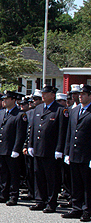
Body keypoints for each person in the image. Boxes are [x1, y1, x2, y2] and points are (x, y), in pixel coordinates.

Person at [27, 85, 67, 213]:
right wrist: (30, 145)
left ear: (52, 95)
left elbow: (62, 131)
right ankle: (40, 200)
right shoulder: (38, 108)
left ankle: (51, 202)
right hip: (38, 148)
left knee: (52, 178)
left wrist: (59, 149)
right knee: (39, 176)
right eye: (42, 93)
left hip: (51, 150)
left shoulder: (60, 110)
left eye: (46, 93)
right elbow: (33, 128)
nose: (43, 96)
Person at [0, 91, 27, 205]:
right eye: (3, 99)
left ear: (13, 100)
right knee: (2, 173)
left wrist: (16, 149)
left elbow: (20, 134)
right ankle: (3, 194)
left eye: (6, 99)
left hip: (11, 150)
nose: (4, 101)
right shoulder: (1, 113)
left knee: (13, 174)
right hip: (1, 148)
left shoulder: (20, 115)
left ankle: (13, 196)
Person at [62, 84, 91, 221]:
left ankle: (87, 210)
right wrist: (67, 151)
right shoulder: (74, 111)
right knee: (76, 183)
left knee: (87, 184)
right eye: (80, 94)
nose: (80, 96)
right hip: (74, 153)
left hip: (87, 155)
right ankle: (76, 207)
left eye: (84, 94)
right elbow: (70, 132)